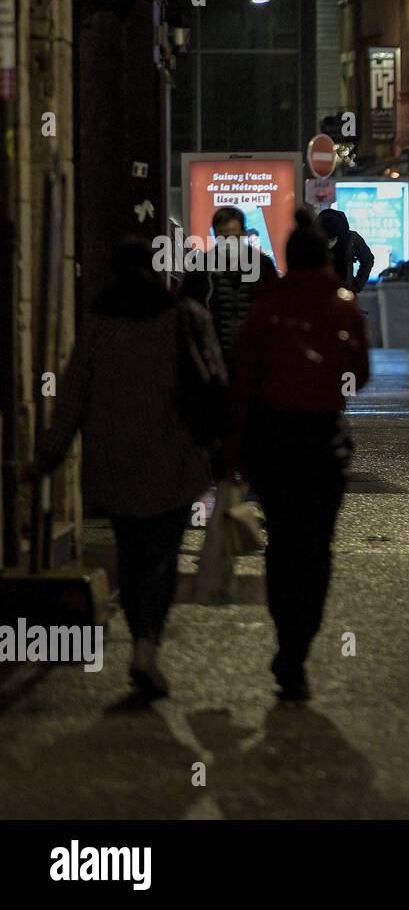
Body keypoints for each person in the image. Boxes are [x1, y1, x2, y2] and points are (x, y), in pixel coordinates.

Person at [37, 238, 224, 699]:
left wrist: (48, 456)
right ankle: (146, 646)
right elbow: (217, 383)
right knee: (162, 556)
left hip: (114, 462)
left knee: (132, 553)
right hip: (173, 460)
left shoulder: (97, 324)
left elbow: (72, 396)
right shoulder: (181, 315)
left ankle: (141, 638)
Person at [228, 210, 371, 701]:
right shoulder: (344, 305)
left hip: (273, 442)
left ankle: (286, 637)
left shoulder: (267, 304)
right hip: (323, 443)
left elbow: (243, 377)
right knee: (317, 547)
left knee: (283, 544)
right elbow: (361, 372)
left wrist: (235, 445)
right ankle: (299, 647)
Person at [178, 206, 276, 372]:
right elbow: (187, 310)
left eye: (234, 236)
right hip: (213, 359)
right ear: (216, 236)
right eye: (223, 237)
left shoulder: (262, 265)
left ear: (244, 234)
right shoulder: (201, 267)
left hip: (255, 358)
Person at [318, 208, 375, 293]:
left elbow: (368, 260)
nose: (329, 242)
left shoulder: (352, 239)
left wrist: (356, 286)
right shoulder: (312, 239)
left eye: (332, 239)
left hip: (344, 291)